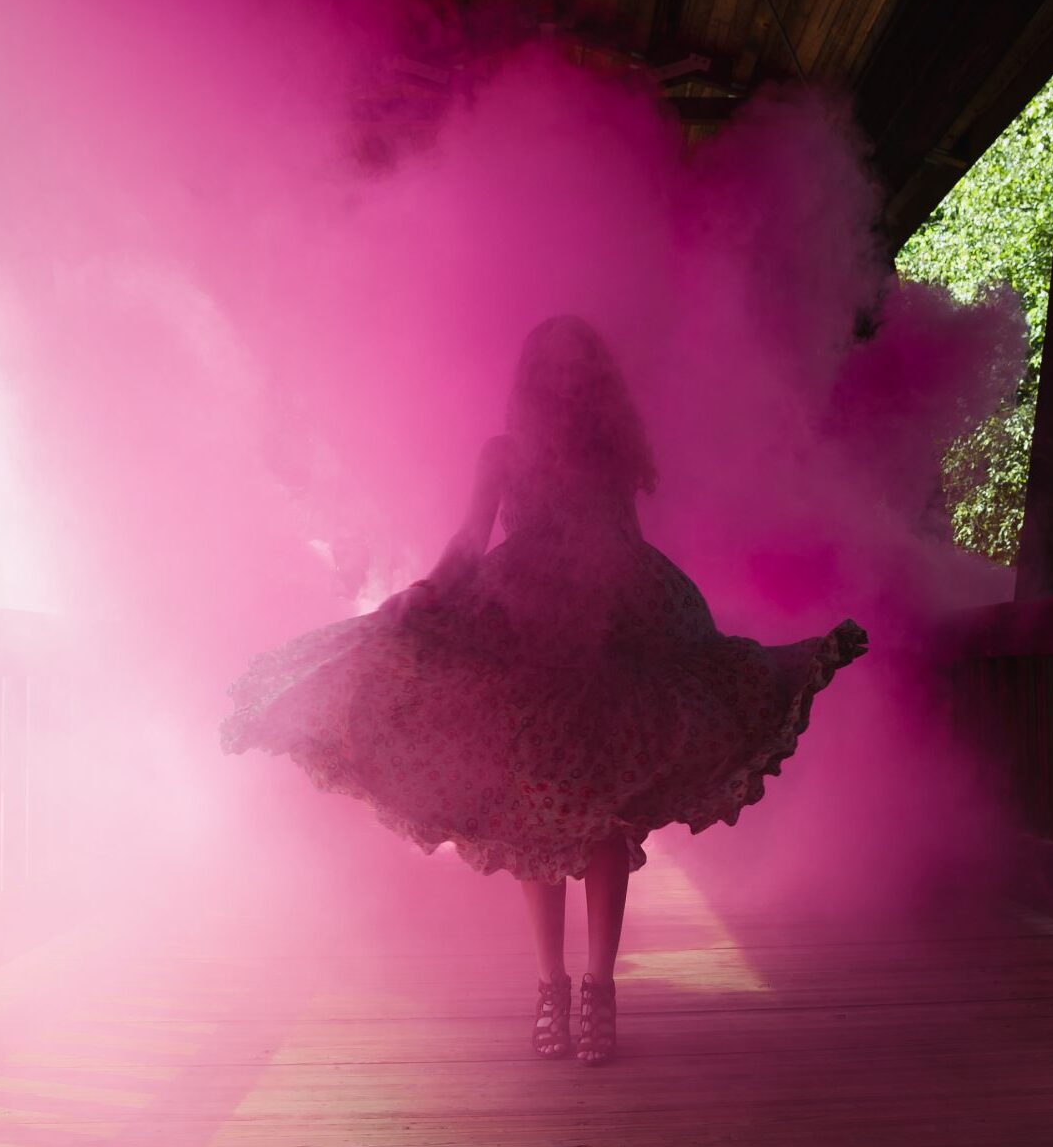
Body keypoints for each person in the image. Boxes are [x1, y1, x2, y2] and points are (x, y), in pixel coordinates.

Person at [221, 315, 867, 1066]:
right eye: (551, 369)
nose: (564, 380)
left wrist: (642, 614)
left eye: (577, 368)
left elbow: (620, 543)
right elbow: (469, 540)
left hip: (609, 626)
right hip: (520, 624)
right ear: (532, 380)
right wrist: (429, 588)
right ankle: (550, 987)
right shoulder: (502, 454)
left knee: (600, 810)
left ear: (592, 380)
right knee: (534, 803)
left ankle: (597, 990)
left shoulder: (612, 455)